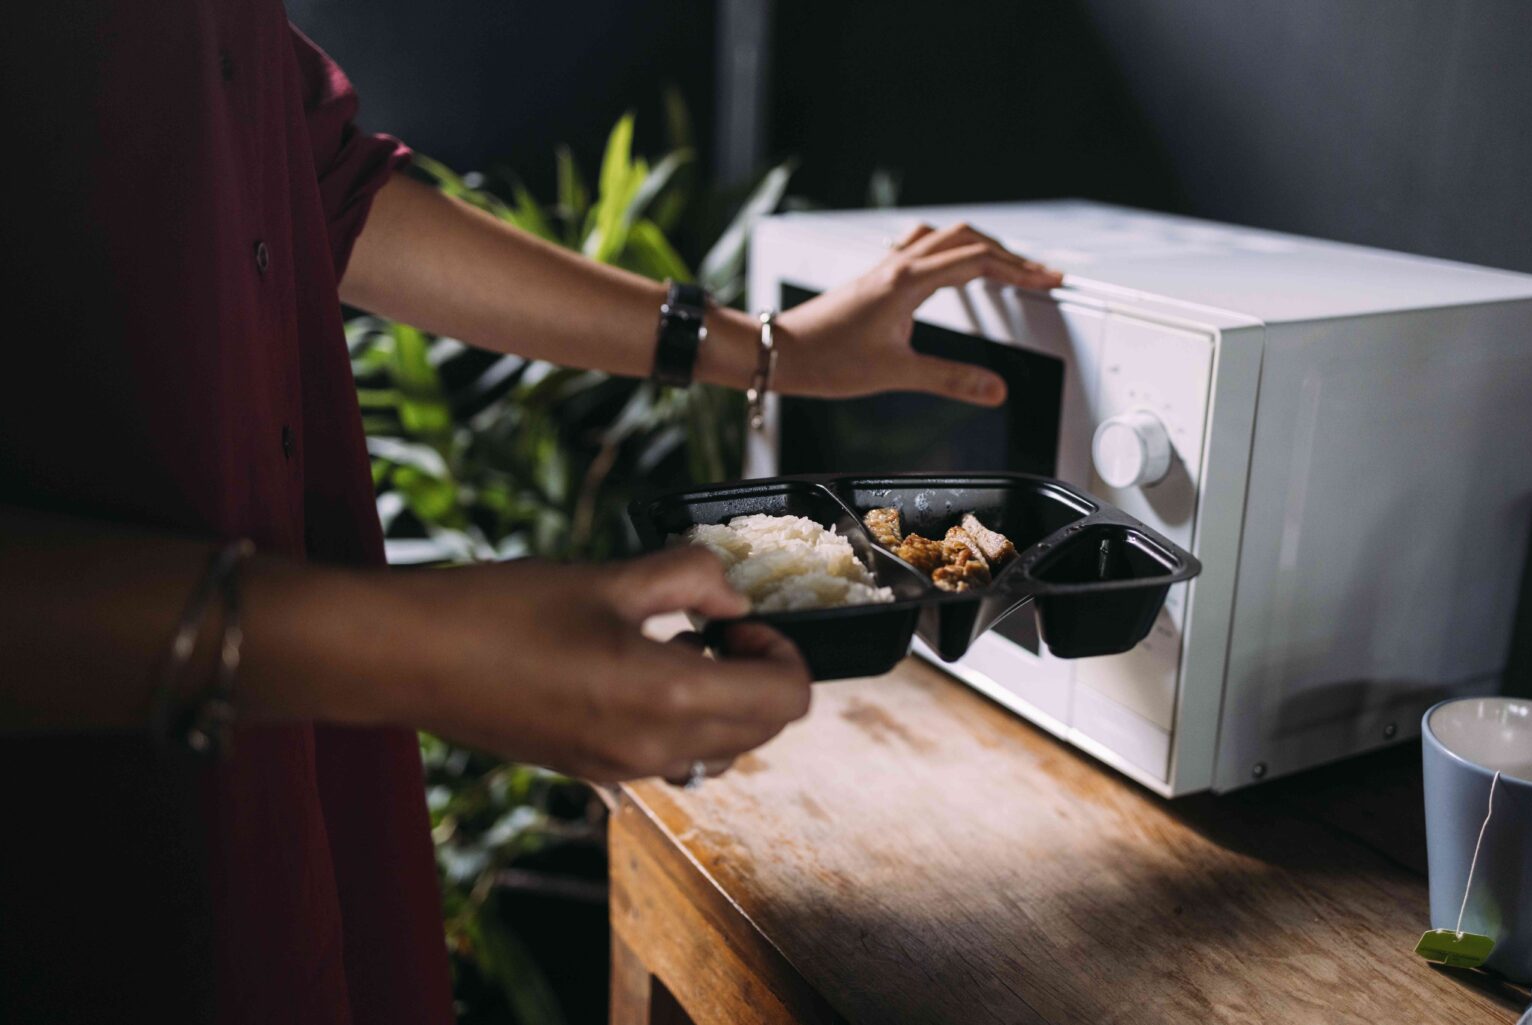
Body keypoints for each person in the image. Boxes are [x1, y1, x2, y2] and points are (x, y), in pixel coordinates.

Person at [0, 5, 1062, 1023]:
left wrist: (772, 349)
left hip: (275, 796)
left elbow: (321, 183)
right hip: (82, 852)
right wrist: (405, 652)